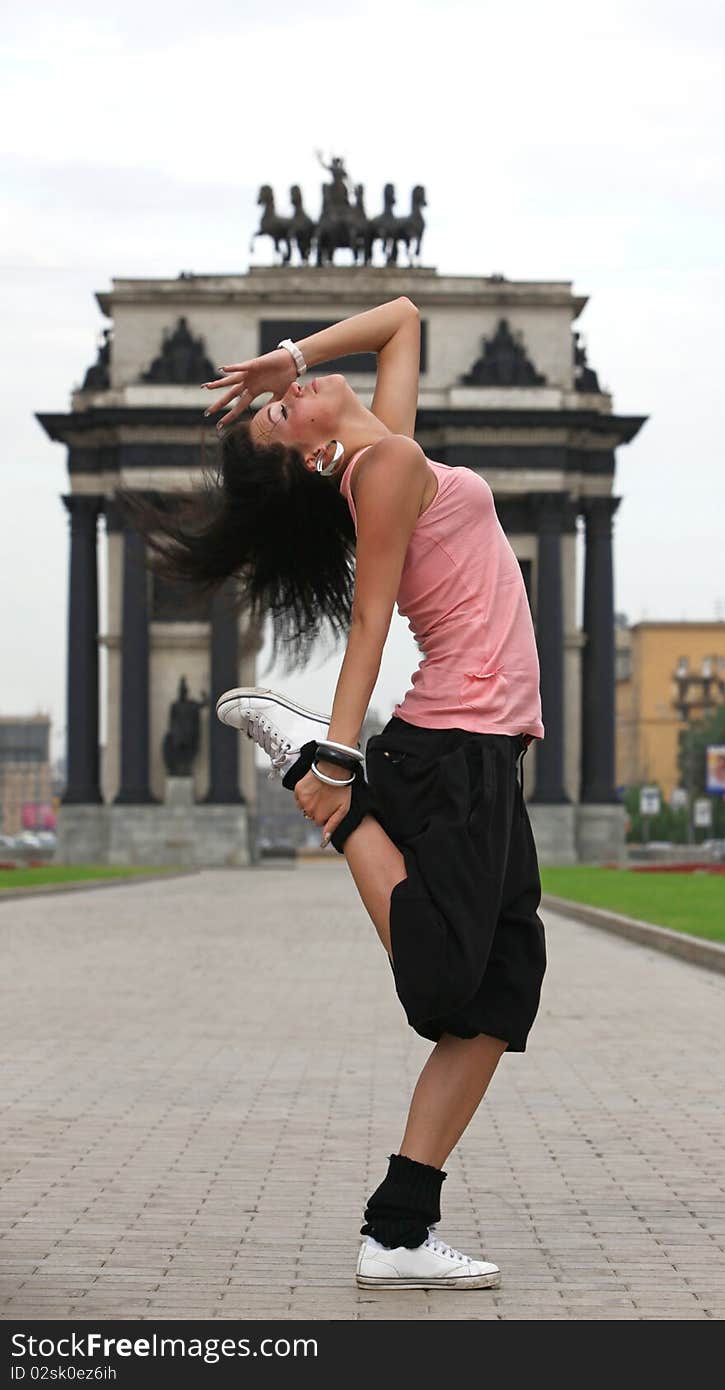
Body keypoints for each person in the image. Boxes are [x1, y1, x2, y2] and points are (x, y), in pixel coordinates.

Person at [138, 297, 547, 1291]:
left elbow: (402, 319)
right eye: (283, 415)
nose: (296, 394)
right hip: (453, 744)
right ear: (305, 461)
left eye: (283, 399)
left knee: (499, 994)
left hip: (478, 749)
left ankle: (399, 1228)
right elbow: (369, 625)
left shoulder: (389, 449)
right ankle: (329, 797)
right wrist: (332, 757)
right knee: (447, 985)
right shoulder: (384, 468)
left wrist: (282, 360)